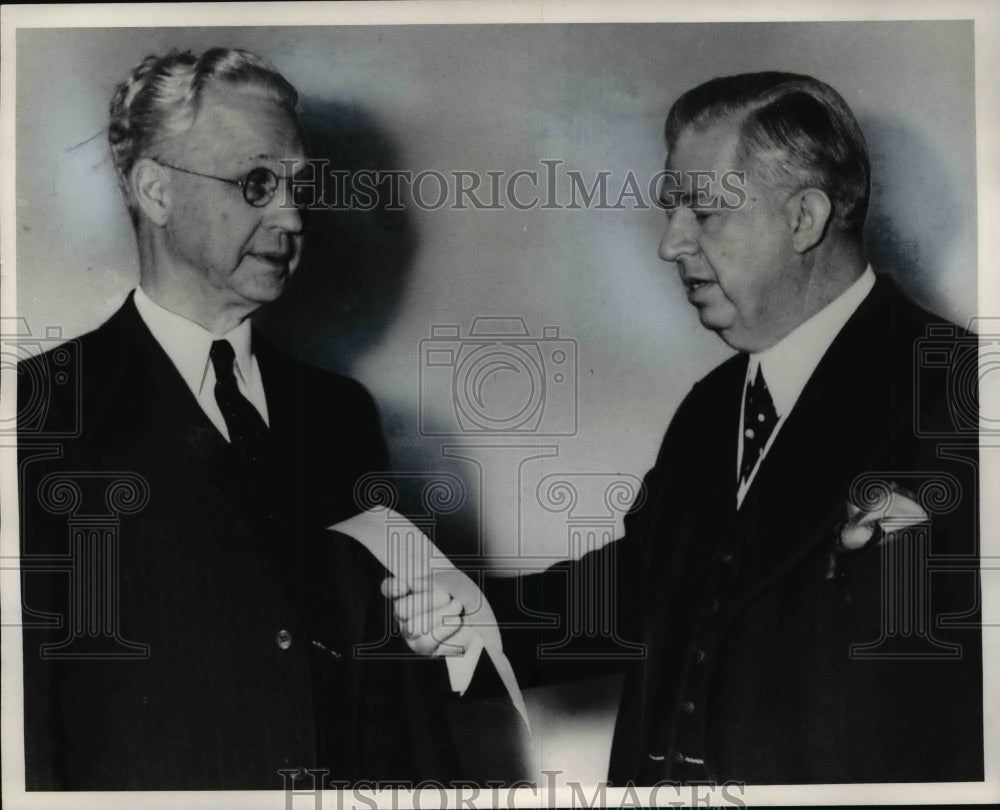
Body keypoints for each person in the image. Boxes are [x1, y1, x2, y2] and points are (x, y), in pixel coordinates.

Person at [390, 72, 983, 784]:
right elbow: (637, 595)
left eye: (703, 213)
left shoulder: (963, 394)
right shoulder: (712, 408)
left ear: (805, 218)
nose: (670, 245)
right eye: (671, 211)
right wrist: (474, 615)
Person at [18, 47, 457, 790]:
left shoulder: (340, 417)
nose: (291, 215)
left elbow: (399, 702)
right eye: (256, 182)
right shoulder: (44, 410)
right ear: (154, 190)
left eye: (299, 186)